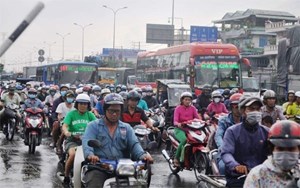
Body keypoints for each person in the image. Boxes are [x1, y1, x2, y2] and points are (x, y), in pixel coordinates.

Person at [82, 93, 154, 187]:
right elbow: (87, 142)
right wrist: (91, 155)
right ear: (105, 110)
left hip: (124, 168)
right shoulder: (93, 126)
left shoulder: (127, 128)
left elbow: (134, 145)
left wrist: (143, 156)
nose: (114, 114)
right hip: (99, 167)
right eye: (111, 111)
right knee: (94, 183)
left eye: (117, 111)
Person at [221, 96, 269, 187]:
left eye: (258, 109)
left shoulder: (266, 131)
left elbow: (274, 152)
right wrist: (235, 165)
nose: (255, 112)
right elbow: (226, 153)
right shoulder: (232, 131)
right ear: (243, 111)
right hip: (239, 177)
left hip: (262, 176)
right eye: (251, 109)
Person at [244, 120, 300, 187]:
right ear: (272, 149)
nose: (285, 154)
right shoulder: (257, 175)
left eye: (291, 149)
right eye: (280, 149)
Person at [61, 93, 97, 187]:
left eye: (85, 104)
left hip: (87, 141)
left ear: (88, 105)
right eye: (81, 103)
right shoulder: (71, 114)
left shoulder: (90, 115)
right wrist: (67, 132)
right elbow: (65, 126)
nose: (83, 106)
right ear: (77, 104)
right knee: (73, 154)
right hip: (72, 140)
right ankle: (66, 176)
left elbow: (97, 125)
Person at [214, 93, 243, 175]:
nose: (239, 109)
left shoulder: (246, 120)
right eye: (236, 107)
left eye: (241, 107)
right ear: (231, 107)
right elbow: (219, 135)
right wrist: (222, 147)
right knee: (223, 167)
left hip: (243, 151)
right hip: (227, 150)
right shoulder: (223, 120)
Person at [173, 92, 201, 167]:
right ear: (182, 100)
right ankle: (176, 158)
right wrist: (178, 124)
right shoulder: (178, 108)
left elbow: (197, 118)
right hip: (180, 129)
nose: (188, 101)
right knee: (185, 140)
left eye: (189, 100)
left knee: (199, 140)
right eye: (186, 99)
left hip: (191, 129)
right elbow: (175, 121)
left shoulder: (193, 108)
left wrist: (203, 122)